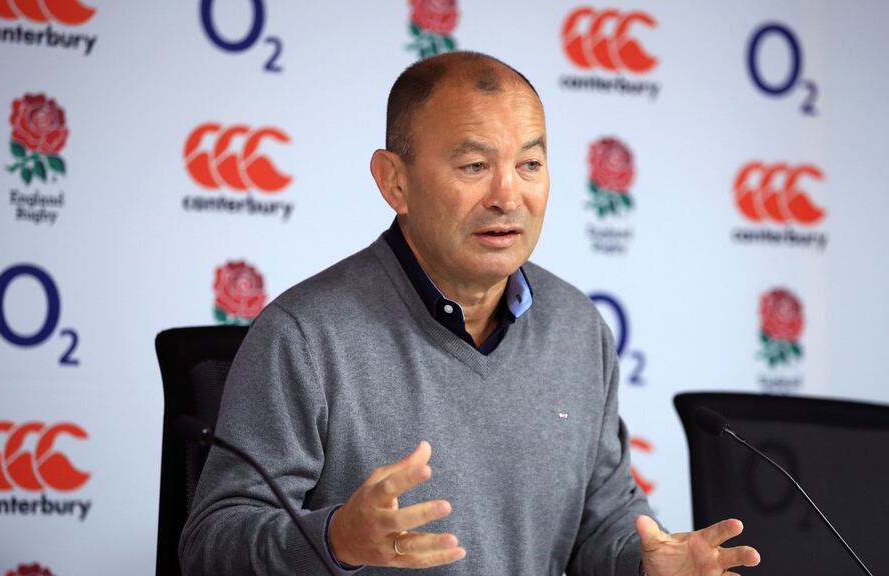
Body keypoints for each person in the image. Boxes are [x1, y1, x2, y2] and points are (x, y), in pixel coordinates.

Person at [179, 51, 760, 575]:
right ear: (394, 182)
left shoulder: (577, 329)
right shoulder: (305, 336)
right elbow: (211, 546)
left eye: (530, 165)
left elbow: (602, 527)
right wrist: (335, 539)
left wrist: (645, 564)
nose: (509, 196)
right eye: (474, 167)